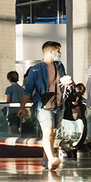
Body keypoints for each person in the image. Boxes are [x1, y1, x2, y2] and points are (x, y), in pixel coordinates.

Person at [22, 40, 66, 170]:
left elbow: (63, 81)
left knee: (52, 132)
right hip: (43, 105)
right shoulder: (35, 69)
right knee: (47, 132)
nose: (59, 53)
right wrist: (22, 106)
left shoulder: (59, 66)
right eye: (58, 50)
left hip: (59, 105)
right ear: (51, 51)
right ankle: (52, 158)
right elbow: (28, 89)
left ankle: (46, 158)